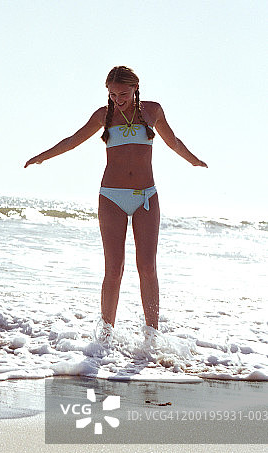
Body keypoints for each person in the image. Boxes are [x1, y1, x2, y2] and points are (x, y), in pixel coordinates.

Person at [24, 66, 207, 341]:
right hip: (111, 197)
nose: (117, 99)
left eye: (123, 93)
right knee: (114, 268)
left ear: (135, 88)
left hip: (147, 196)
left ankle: (152, 337)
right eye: (112, 94)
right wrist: (43, 156)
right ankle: (105, 337)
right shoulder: (103, 116)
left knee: (147, 266)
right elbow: (72, 141)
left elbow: (174, 142)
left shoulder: (152, 111)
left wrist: (193, 160)